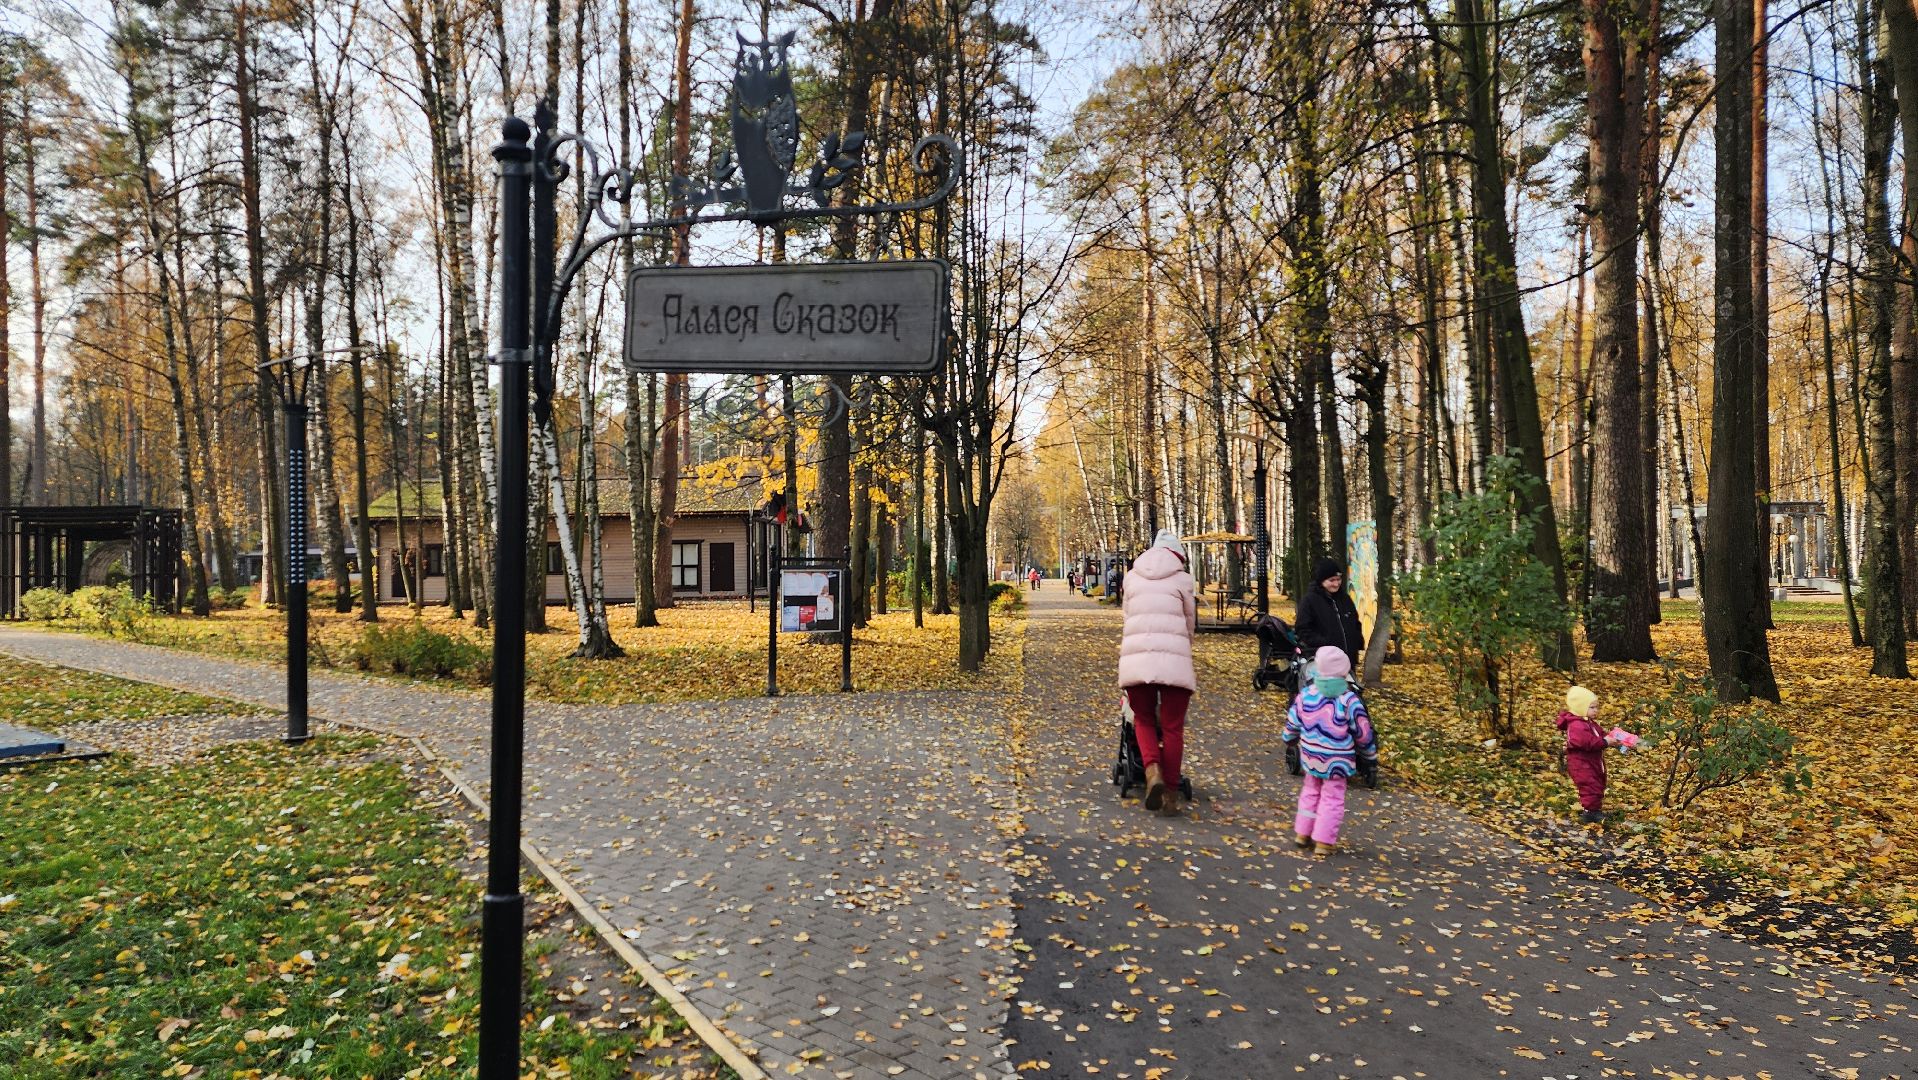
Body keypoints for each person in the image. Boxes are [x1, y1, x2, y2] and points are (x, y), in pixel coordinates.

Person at [1118, 529, 1198, 817]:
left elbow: (1128, 618)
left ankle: (1152, 772)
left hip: (1137, 659)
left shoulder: (1132, 577)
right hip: (1174, 659)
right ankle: (1171, 796)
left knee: (1142, 718)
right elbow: (1190, 625)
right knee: (1173, 726)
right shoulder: (1183, 579)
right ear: (1178, 555)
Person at [1282, 646, 1378, 855]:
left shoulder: (1306, 695)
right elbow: (1363, 731)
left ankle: (1302, 833)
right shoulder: (1349, 700)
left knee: (1310, 791)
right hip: (1337, 760)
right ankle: (1324, 841)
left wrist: (1289, 738)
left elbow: (1293, 722)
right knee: (1332, 798)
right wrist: (1369, 754)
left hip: (1310, 756)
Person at [1558, 686, 1619, 824]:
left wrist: (1611, 737)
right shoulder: (1577, 725)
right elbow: (1587, 742)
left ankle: (1594, 809)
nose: (1596, 710)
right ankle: (1590, 813)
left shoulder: (1589, 723)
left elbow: (1599, 734)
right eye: (1592, 707)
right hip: (1582, 764)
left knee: (1597, 784)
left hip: (1592, 762)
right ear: (1580, 707)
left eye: (1596, 707)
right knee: (1589, 785)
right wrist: (1605, 742)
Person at [1295, 557, 1365, 676]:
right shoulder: (1310, 601)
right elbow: (1303, 629)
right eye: (1332, 580)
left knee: (1349, 693)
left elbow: (1355, 623)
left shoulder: (1345, 599)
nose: (1336, 583)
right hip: (1325, 661)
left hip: (1348, 660)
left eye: (1338, 579)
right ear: (1322, 581)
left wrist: (1357, 640)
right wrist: (1326, 643)